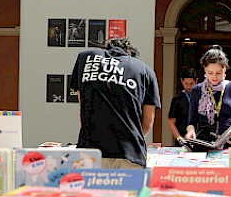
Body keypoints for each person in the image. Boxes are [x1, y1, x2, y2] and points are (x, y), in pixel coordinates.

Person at [68, 37, 161, 168]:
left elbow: (82, 105)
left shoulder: (86, 57)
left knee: (92, 189)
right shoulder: (145, 71)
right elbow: (147, 122)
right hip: (130, 153)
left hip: (91, 152)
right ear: (131, 56)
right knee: (129, 189)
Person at [184, 45, 231, 147]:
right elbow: (191, 122)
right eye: (210, 72)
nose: (214, 77)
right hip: (203, 144)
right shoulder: (197, 90)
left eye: (218, 73)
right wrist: (190, 131)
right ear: (205, 69)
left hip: (229, 144)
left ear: (225, 69)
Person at [168, 68, 198, 146]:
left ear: (196, 81)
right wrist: (179, 138)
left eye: (191, 83)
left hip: (199, 139)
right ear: (181, 81)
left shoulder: (201, 96)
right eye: (186, 83)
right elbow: (171, 122)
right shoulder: (177, 98)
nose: (189, 86)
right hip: (182, 139)